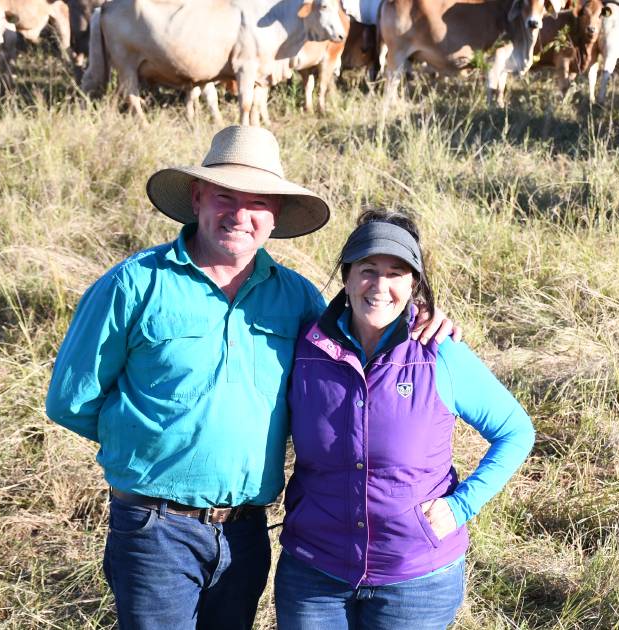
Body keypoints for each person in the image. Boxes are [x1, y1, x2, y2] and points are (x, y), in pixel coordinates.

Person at [44, 126, 455, 630]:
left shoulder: (298, 299)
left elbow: (364, 327)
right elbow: (71, 399)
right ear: (197, 198)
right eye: (225, 197)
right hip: (154, 527)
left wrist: (420, 316)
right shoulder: (135, 284)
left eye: (258, 203)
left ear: (275, 216)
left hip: (246, 531)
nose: (240, 215)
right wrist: (154, 447)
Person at [275, 209, 536, 630]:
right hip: (313, 571)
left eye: (397, 273)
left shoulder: (438, 353)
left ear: (414, 283)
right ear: (346, 275)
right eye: (368, 270)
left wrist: (460, 507)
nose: (380, 286)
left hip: (415, 578)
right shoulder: (305, 350)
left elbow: (515, 431)